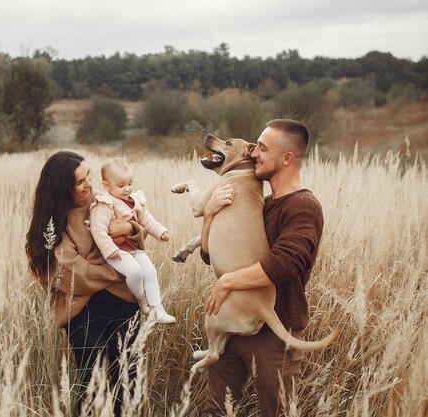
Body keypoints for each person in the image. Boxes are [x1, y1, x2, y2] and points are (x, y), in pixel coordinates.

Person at [199, 119, 324, 417]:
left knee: (275, 412)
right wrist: (208, 214)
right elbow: (209, 255)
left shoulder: (303, 206)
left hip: (274, 333)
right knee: (214, 411)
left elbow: (286, 262)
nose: (253, 153)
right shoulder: (260, 201)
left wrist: (227, 283)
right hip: (233, 326)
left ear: (287, 158)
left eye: (263, 149)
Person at [25, 151, 144, 416]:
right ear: (62, 188)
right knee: (91, 379)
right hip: (80, 307)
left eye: (88, 175)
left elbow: (138, 229)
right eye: (80, 182)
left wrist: (131, 230)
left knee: (128, 375)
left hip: (122, 301)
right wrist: (115, 272)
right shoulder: (53, 221)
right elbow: (70, 271)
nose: (89, 184)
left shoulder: (104, 201)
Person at [89, 158, 175, 324]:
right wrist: (109, 249)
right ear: (107, 185)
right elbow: (98, 230)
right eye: (121, 186)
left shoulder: (135, 200)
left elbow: (146, 220)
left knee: (150, 271)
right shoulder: (104, 204)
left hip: (133, 247)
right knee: (135, 272)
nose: (127, 189)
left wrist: (160, 231)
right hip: (115, 250)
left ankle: (157, 308)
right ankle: (142, 301)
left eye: (130, 183)